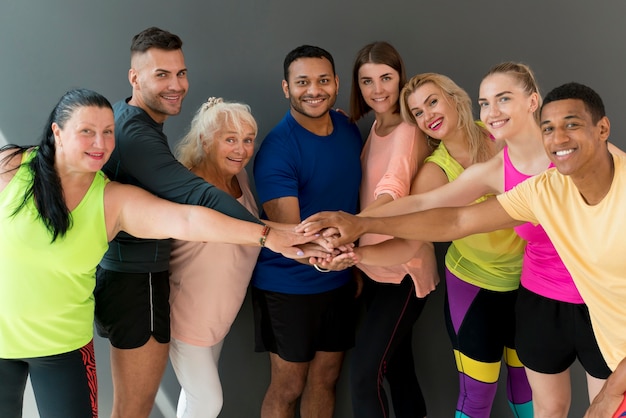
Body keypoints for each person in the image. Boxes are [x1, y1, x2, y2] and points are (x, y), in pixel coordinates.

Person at [298, 82, 626, 418]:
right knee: (501, 400)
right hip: (505, 293)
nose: (559, 138)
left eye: (433, 102)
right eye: (417, 112)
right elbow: (450, 219)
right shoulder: (533, 189)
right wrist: (358, 226)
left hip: (568, 300)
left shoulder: (512, 145)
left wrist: (607, 398)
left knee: (550, 398)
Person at [0, 89, 324, 418]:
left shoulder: (114, 200)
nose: (100, 143)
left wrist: (267, 236)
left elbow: (188, 219)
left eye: (108, 132)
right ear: (58, 132)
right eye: (87, 131)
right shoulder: (12, 166)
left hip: (62, 348)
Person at [316, 72, 533, 418]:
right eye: (416, 112)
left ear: (454, 97)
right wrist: (357, 251)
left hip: (529, 283)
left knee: (527, 390)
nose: (427, 115)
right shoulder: (435, 172)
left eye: (432, 102)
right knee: (477, 396)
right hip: (476, 287)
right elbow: (409, 240)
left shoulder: (500, 132)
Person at [93, 27, 267, 418]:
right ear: (134, 78)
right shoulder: (134, 133)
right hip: (137, 286)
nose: (176, 84)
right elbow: (196, 200)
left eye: (181, 73)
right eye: (161, 74)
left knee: (168, 402)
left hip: (155, 289)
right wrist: (275, 236)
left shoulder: (141, 127)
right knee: (143, 408)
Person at [251, 44, 362, 418]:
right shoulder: (278, 150)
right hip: (290, 285)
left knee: (326, 379)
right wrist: (343, 255)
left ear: (335, 84)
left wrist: (352, 265)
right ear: (286, 88)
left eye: (323, 80)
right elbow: (293, 234)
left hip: (340, 279)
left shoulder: (348, 129)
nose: (313, 90)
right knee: (288, 386)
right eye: (302, 82)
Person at [343, 41, 437, 418]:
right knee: (398, 370)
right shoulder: (376, 129)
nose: (377, 89)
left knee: (365, 378)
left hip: (402, 270)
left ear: (401, 79)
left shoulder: (406, 131)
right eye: (367, 81)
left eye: (386, 78)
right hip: (374, 269)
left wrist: (351, 226)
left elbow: (391, 193)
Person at [168, 97, 260, 418]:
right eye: (230, 139)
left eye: (248, 140)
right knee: (208, 402)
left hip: (218, 317)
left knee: (193, 399)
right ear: (206, 140)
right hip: (187, 319)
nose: (241, 149)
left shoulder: (240, 179)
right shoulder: (187, 186)